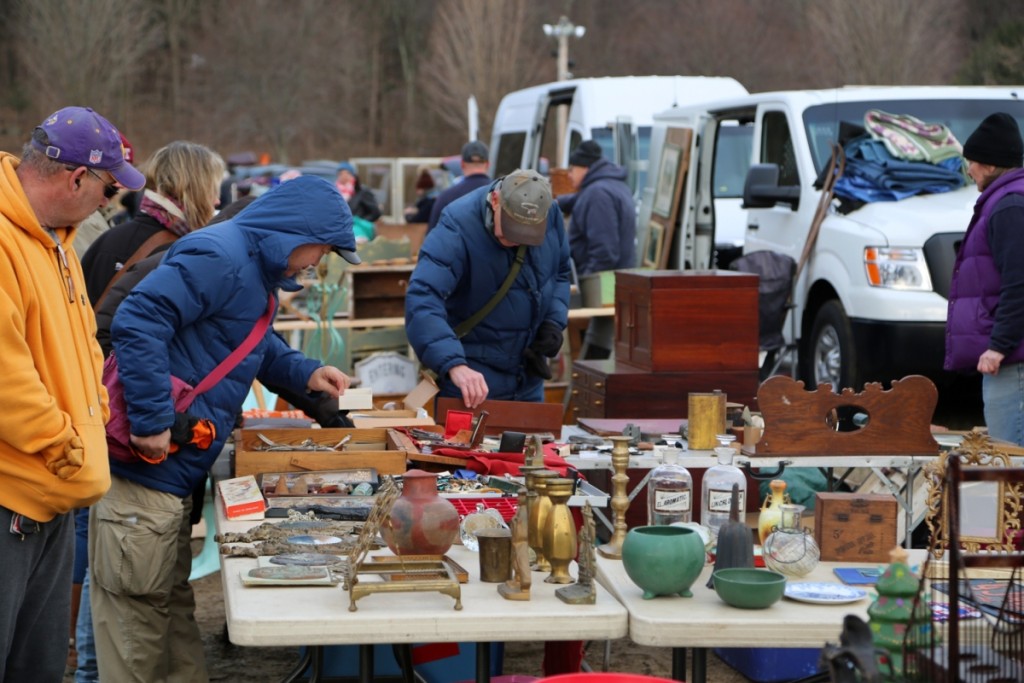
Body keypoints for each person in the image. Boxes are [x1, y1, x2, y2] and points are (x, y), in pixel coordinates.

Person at [88, 175, 359, 682]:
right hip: (144, 472)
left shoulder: (250, 266)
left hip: (169, 476)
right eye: (321, 250)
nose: (318, 264)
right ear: (296, 233)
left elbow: (250, 342)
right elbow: (139, 320)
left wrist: (304, 374)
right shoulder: (221, 255)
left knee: (165, 609)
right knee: (134, 630)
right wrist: (151, 420)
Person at [0, 105, 144, 683]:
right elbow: (5, 373)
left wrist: (93, 419)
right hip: (13, 495)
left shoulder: (53, 242)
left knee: (35, 668)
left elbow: (83, 346)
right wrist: (63, 442)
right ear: (76, 177)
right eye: (109, 189)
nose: (110, 203)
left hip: (50, 496)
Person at [405, 169, 570, 408]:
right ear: (495, 201)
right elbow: (423, 298)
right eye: (511, 230)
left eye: (527, 234)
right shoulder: (457, 225)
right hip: (471, 383)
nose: (518, 240)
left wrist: (553, 323)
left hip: (528, 379)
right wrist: (453, 364)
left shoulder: (549, 213)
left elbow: (560, 272)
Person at [945, 112, 1024, 446]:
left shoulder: (1009, 206)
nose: (968, 169)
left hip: (1013, 363)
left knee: (1010, 463)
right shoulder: (1003, 201)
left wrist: (998, 347)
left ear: (990, 165)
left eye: (972, 162)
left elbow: (1019, 283)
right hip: (1010, 359)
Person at [81, 140, 225, 306]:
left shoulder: (113, 240)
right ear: (192, 189)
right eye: (212, 190)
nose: (217, 200)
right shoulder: (183, 248)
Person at [561, 139, 637, 275]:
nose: (569, 175)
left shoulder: (597, 195)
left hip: (603, 285)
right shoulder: (612, 185)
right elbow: (580, 200)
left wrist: (585, 282)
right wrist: (555, 204)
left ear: (585, 168)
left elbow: (604, 253)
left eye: (572, 169)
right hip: (620, 278)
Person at [427, 140, 492, 231]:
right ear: (488, 164)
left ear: (462, 164)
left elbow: (432, 237)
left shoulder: (446, 197)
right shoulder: (500, 192)